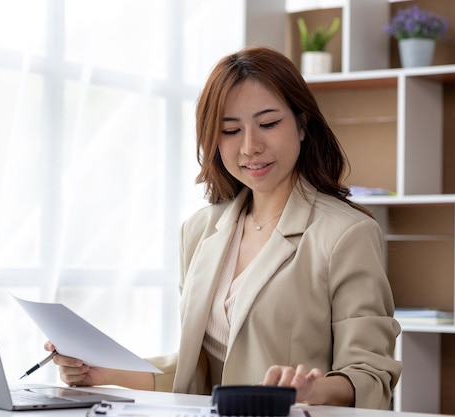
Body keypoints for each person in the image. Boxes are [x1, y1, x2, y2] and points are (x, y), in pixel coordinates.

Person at [44, 46, 402, 409]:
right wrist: (104, 372)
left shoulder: (346, 233)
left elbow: (370, 374)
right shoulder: (199, 232)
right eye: (230, 130)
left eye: (268, 124)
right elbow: (198, 372)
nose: (250, 147)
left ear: (303, 124)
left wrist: (310, 391)